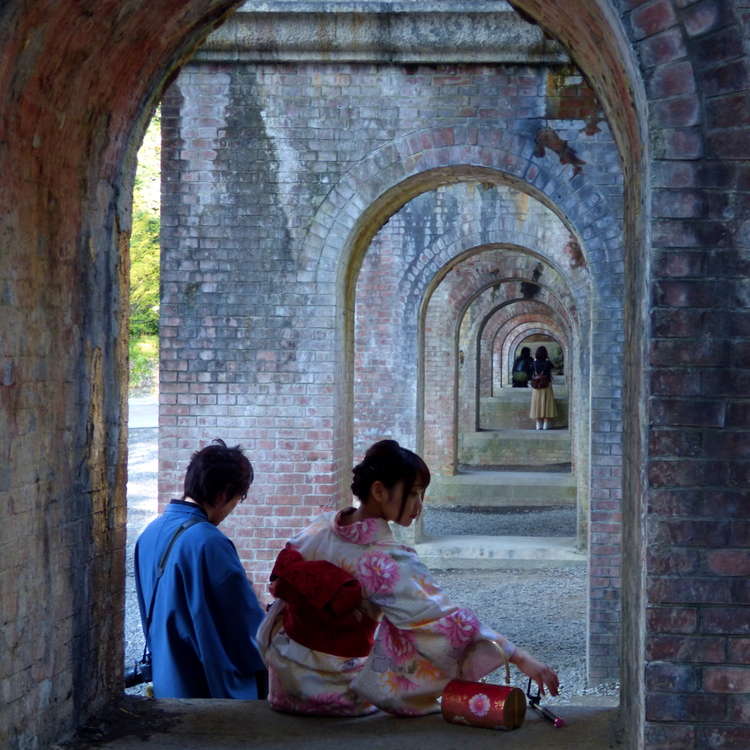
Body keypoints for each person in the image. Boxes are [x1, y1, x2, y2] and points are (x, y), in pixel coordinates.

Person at [258, 439, 559, 717]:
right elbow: (443, 621)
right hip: (335, 693)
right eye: (413, 492)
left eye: (421, 494)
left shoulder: (320, 527)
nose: (419, 504)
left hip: (283, 680)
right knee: (423, 631)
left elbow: (277, 587)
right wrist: (518, 657)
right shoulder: (383, 558)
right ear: (378, 491)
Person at [134, 439, 266, 699]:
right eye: (238, 499)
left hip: (167, 682)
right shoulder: (209, 542)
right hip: (206, 688)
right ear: (223, 494)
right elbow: (245, 628)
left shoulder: (149, 532)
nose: (232, 508)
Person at [529, 345, 557, 430]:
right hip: (546, 384)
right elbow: (552, 367)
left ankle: (537, 425)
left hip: (536, 386)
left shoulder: (534, 363)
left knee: (536, 404)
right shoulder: (547, 363)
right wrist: (547, 359)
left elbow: (531, 373)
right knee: (547, 404)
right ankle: (545, 425)